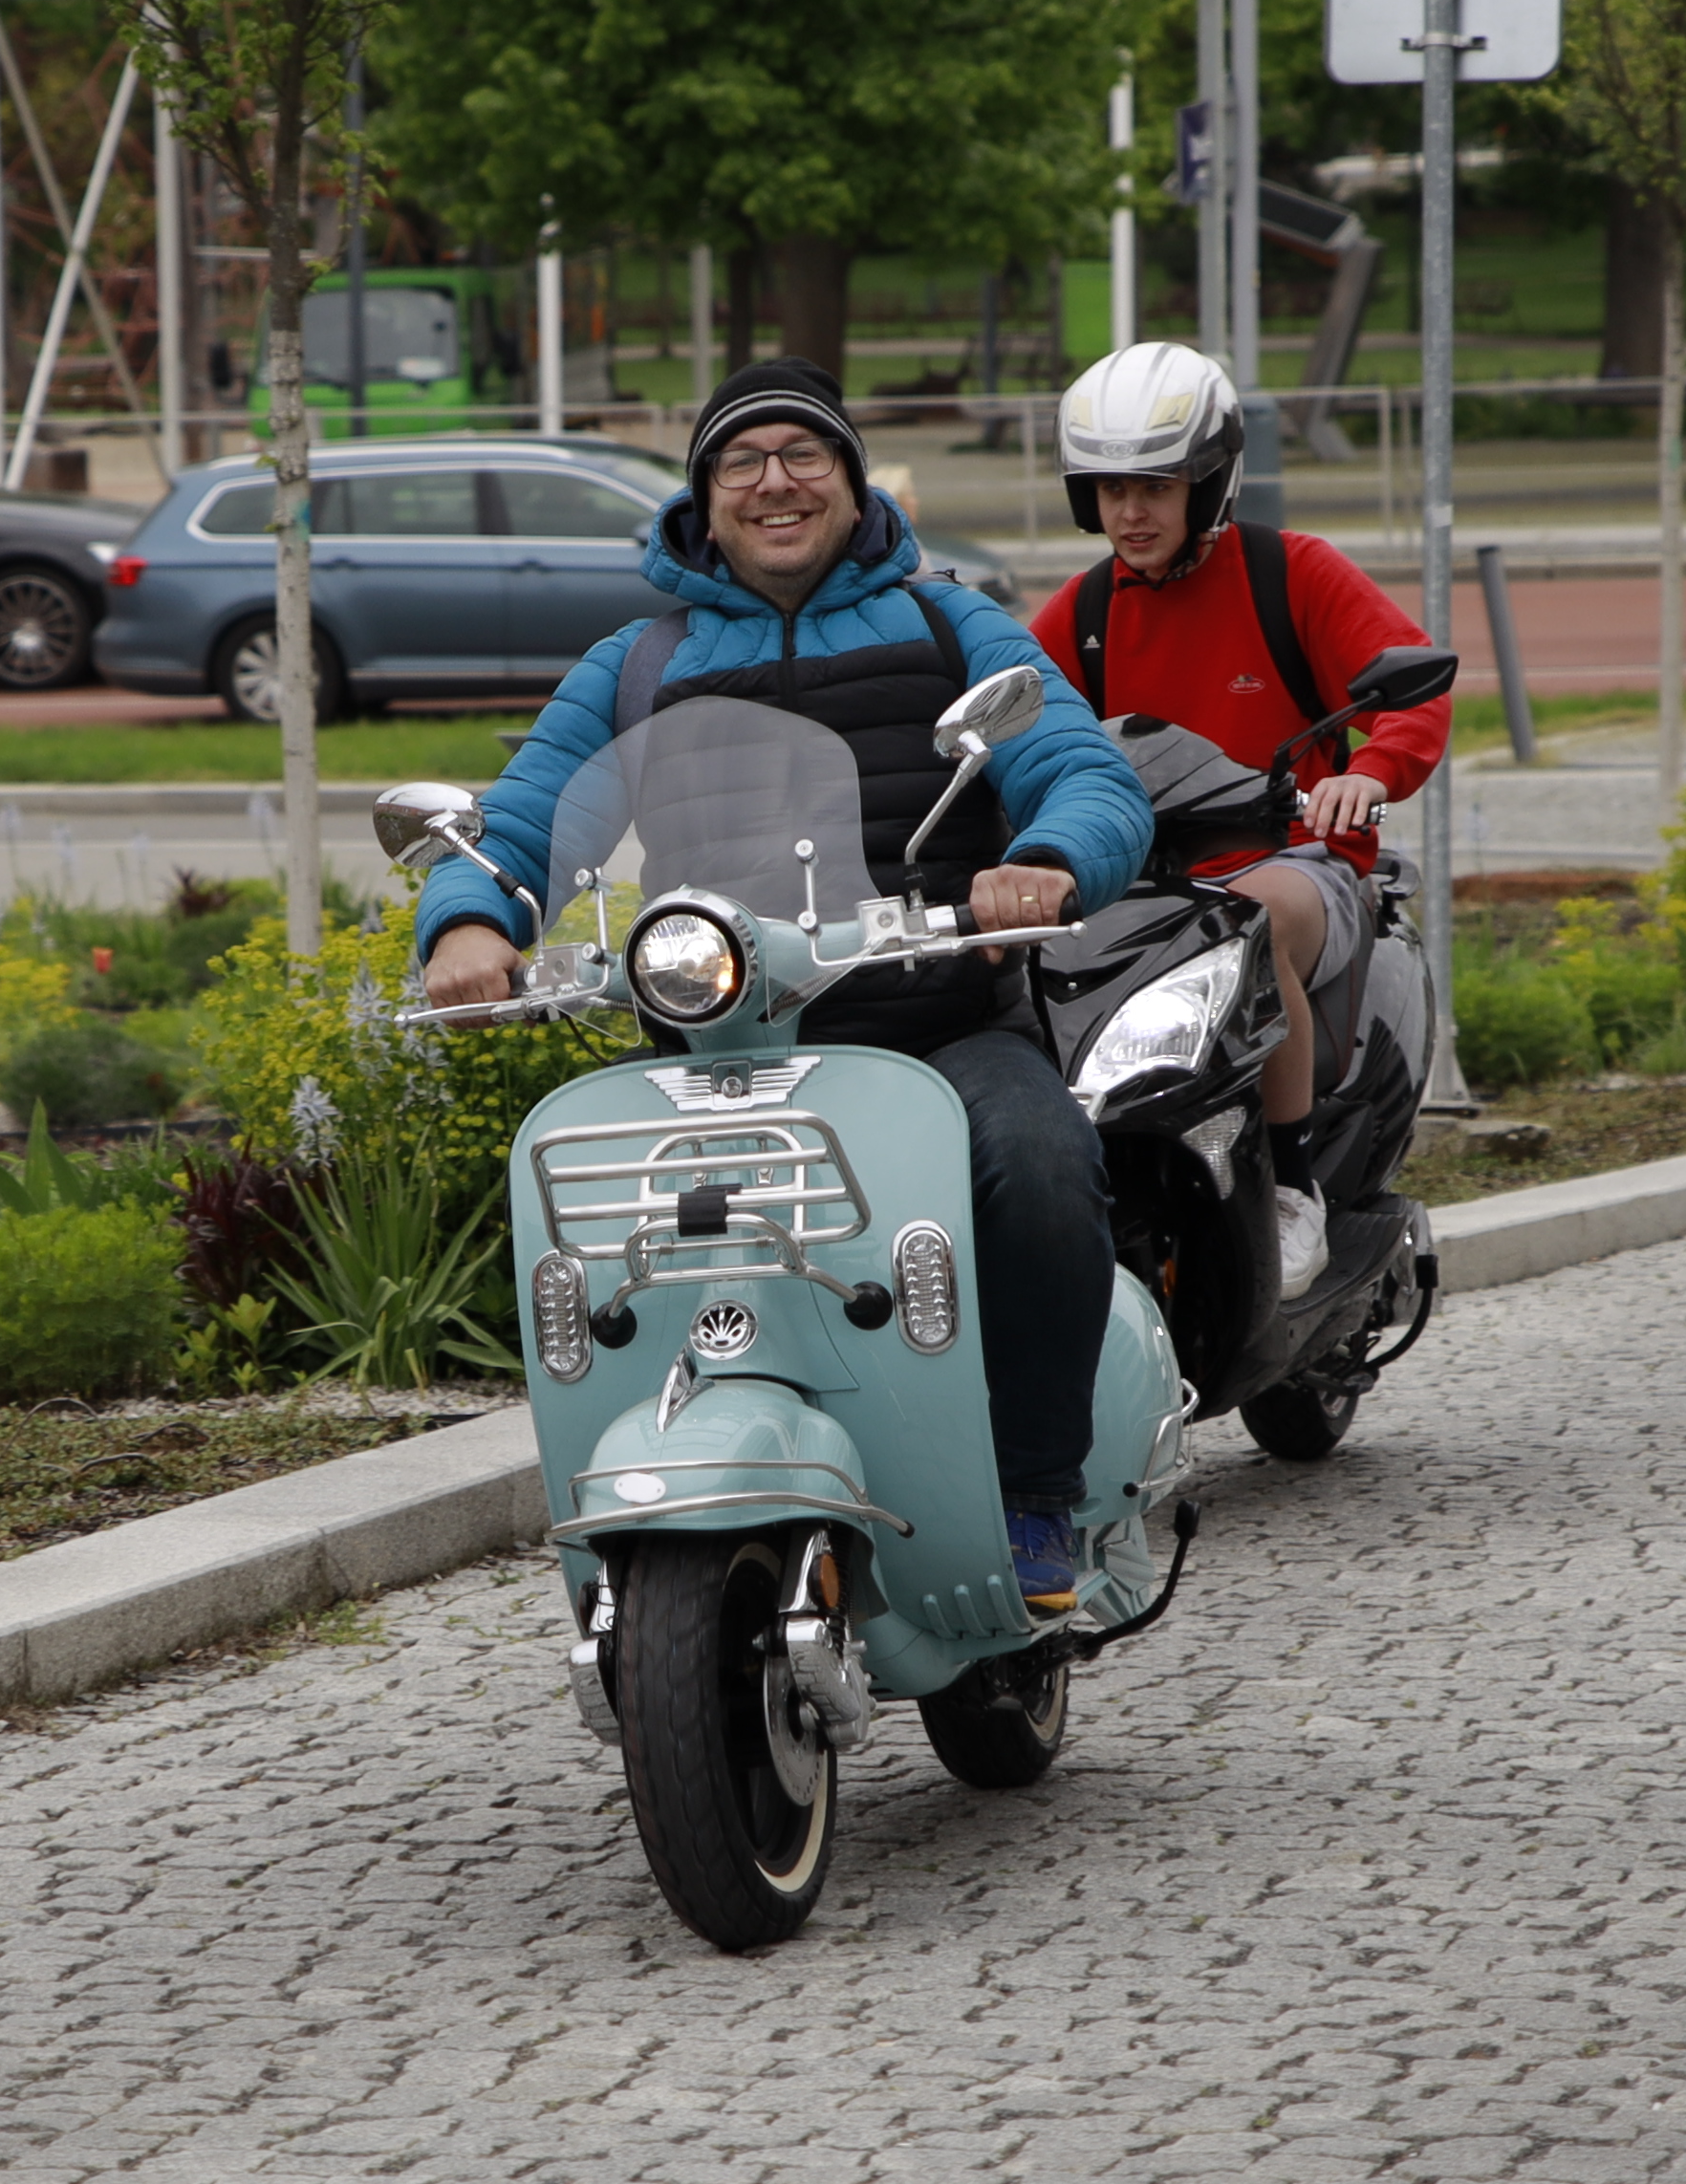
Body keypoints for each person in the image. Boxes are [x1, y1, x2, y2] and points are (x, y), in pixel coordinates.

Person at [414, 358, 1156, 1614]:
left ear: (854, 484)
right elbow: (529, 813)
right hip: (718, 1057)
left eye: (805, 454)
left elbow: (1084, 770)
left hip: (934, 1026)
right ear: (702, 499)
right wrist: (470, 921)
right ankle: (652, 1495)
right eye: (741, 460)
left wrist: (1041, 861)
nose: (776, 481)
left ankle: (1036, 1492)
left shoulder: (949, 627)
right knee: (596, 1243)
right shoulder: (638, 664)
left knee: (1039, 1164)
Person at [1027, 340, 1447, 1293]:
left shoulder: (1292, 572)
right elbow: (1015, 714)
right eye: (1106, 489)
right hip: (1141, 880)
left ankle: (1292, 1185)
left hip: (1296, 862)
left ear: (1211, 482)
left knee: (1245, 924)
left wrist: (1371, 773)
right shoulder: (1087, 610)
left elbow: (1413, 687)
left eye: (1157, 486)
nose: (1129, 512)